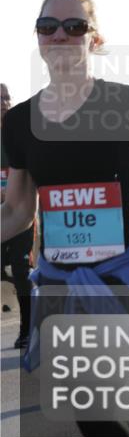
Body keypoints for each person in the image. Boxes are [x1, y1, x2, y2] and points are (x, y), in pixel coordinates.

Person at [1, 0, 129, 437]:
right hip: (60, 281)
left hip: (119, 275)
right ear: (38, 38)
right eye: (48, 27)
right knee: (88, 404)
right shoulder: (18, 123)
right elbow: (19, 211)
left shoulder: (123, 102)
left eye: (74, 26)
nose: (60, 35)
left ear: (94, 38)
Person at [1, 83, 33, 349]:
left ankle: (28, 329)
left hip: (22, 215)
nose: (4, 102)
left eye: (6, 97)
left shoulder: (20, 135)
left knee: (21, 268)